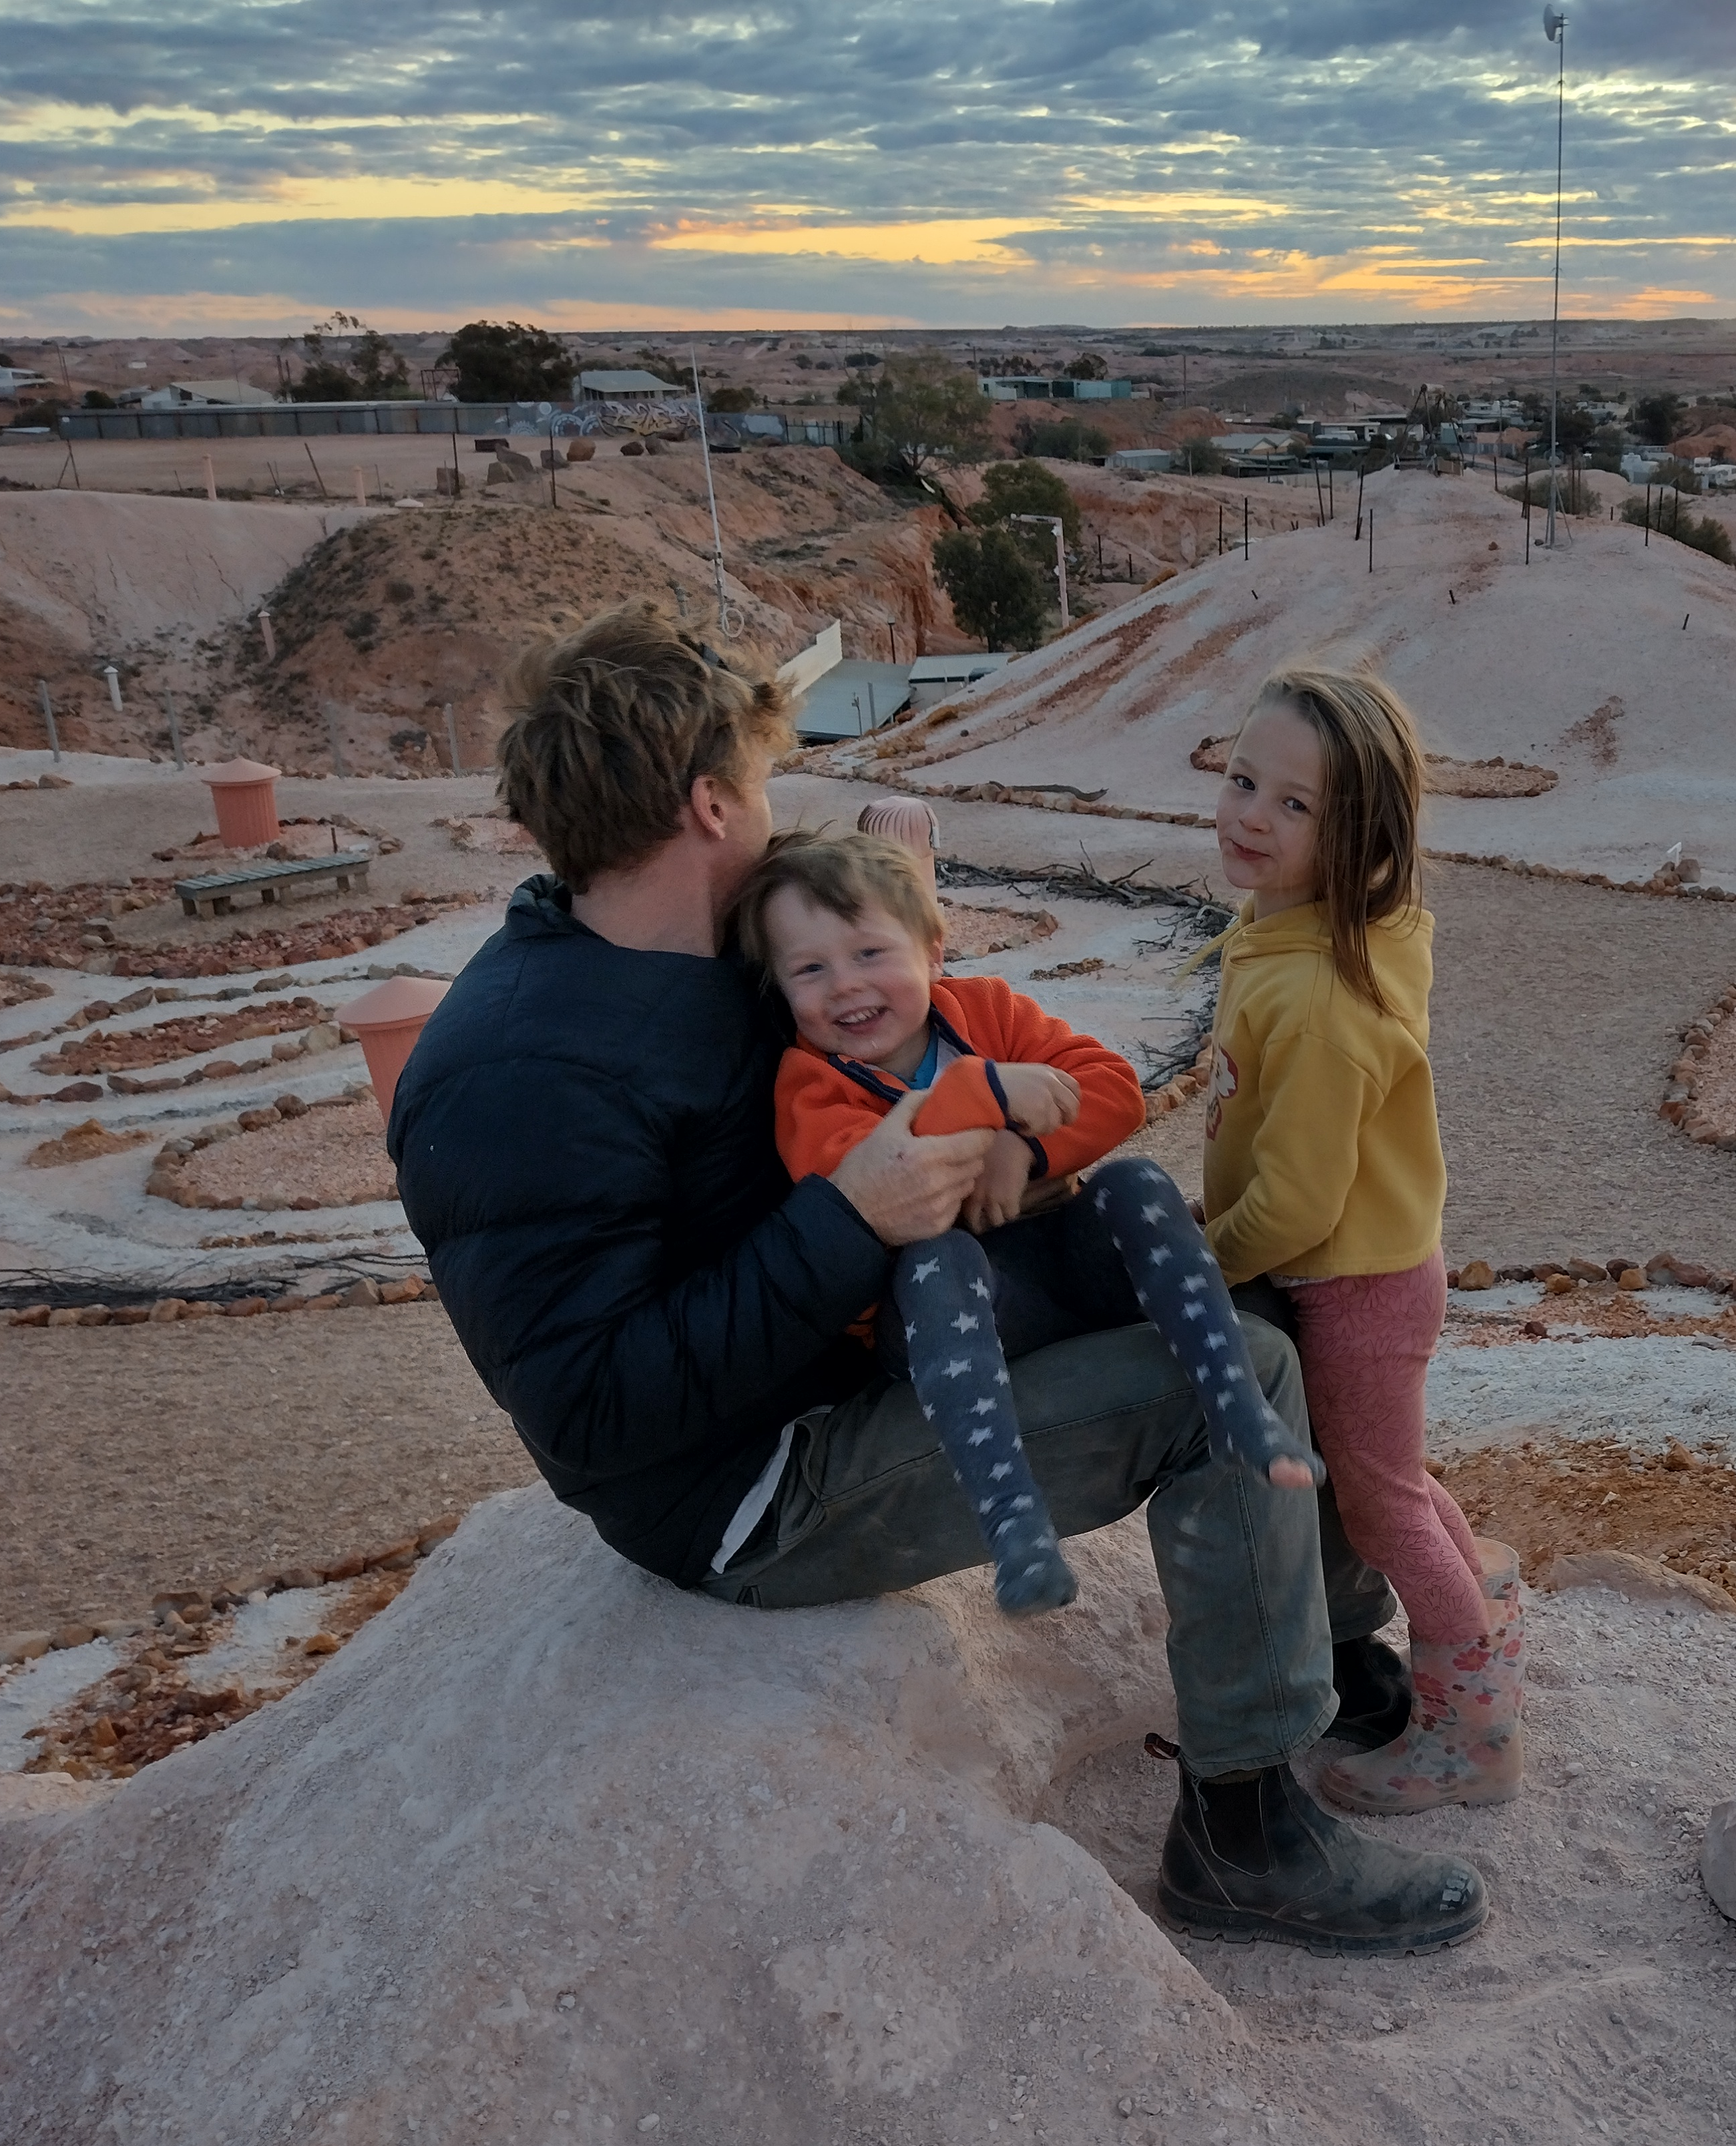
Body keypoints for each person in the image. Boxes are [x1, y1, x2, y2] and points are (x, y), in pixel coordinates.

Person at [387, 599, 1484, 1955]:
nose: (778, 819)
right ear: (711, 805)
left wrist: (919, 958)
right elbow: (592, 1416)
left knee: (1227, 1291)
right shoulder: (511, 1076)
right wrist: (847, 1220)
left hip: (862, 1340)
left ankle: (1343, 1656)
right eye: (765, 787)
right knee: (1227, 1381)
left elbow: (900, 1049)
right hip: (755, 1485)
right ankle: (1243, 1834)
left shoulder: (701, 946)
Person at [727, 826, 1319, 1617]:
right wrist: (987, 1095)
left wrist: (1025, 1151)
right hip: (947, 1316)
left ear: (933, 952)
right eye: (810, 969)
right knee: (937, 1257)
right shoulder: (809, 1085)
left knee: (1137, 1183)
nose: (845, 986)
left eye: (870, 953)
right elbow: (878, 1181)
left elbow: (1112, 1086)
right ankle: (1014, 1523)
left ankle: (1240, 1412)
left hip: (1054, 1265)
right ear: (780, 988)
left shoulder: (986, 1009)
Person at [1202, 665, 1524, 1813]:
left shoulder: (1322, 1002)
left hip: (1352, 1284)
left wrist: (1209, 1264)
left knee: (1379, 1506)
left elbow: (1296, 1204)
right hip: (1378, 1269)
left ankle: (1472, 1733)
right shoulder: (1294, 934)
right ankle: (1480, 1617)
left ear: (1359, 839)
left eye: (1296, 805)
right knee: (1397, 1481)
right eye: (1244, 780)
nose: (1252, 817)